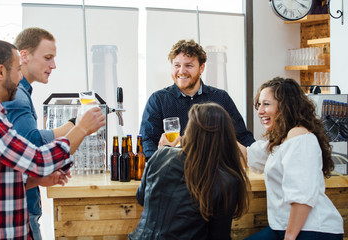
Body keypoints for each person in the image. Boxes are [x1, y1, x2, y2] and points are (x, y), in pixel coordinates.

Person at [0, 39, 105, 239]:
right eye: (17, 70)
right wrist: (80, 128)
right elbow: (38, 159)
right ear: (0, 72)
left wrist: (37, 180)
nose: (20, 78)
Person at [129, 102, 251, 239]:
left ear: (190, 130)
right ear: (227, 136)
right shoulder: (226, 179)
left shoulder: (161, 154)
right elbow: (219, 236)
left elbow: (141, 198)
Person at [242, 77, 343, 240]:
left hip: (313, 229)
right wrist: (215, 128)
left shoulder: (300, 138)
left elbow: (302, 197)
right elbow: (248, 155)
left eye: (266, 104)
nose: (260, 111)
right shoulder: (282, 140)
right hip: (282, 227)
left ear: (285, 107)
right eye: (259, 104)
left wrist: (289, 237)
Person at [2, 27, 74, 240]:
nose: (53, 65)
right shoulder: (18, 97)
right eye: (48, 57)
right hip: (21, 209)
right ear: (23, 55)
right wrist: (70, 129)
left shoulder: (22, 94)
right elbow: (31, 143)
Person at [139, 39, 255, 160]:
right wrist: (156, 166)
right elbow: (147, 141)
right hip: (172, 172)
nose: (182, 71)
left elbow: (242, 136)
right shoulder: (158, 100)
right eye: (177, 65)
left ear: (201, 67)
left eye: (188, 65)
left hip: (212, 172)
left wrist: (261, 157)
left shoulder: (221, 98)